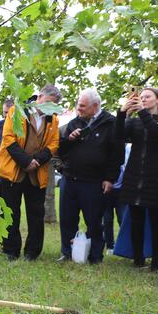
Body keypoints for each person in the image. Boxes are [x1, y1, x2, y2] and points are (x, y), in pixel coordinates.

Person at [113, 87, 158, 270]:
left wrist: (141, 111)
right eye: (141, 97)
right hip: (134, 176)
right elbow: (118, 136)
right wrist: (122, 113)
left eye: (147, 97)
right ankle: (137, 259)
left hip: (156, 178)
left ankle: (156, 263)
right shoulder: (134, 122)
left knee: (157, 222)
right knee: (136, 220)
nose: (143, 99)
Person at [0, 85, 62, 260]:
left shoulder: (53, 120)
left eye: (53, 106)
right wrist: (25, 161)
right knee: (11, 212)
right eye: (47, 103)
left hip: (36, 174)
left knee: (36, 213)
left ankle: (32, 252)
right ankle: (11, 250)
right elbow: (8, 138)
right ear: (39, 97)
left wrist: (37, 161)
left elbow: (53, 145)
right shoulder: (17, 111)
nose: (49, 108)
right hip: (12, 171)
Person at [56, 88, 122, 264]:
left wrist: (110, 178)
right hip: (70, 179)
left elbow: (117, 154)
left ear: (95, 106)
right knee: (67, 219)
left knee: (93, 221)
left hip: (94, 181)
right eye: (78, 105)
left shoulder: (110, 123)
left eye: (83, 106)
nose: (79, 109)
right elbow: (61, 151)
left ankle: (95, 255)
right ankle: (67, 252)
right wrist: (69, 139)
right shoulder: (74, 123)